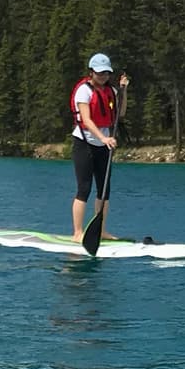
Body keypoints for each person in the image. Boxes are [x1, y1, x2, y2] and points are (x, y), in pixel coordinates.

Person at [69, 53, 119, 255]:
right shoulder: (84, 91)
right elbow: (88, 120)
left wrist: (123, 92)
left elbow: (119, 113)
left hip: (104, 146)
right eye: (99, 73)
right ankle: (78, 232)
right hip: (84, 144)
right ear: (91, 72)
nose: (103, 76)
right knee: (84, 188)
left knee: (104, 190)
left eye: (106, 73)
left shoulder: (112, 91)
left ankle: (102, 230)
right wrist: (104, 138)